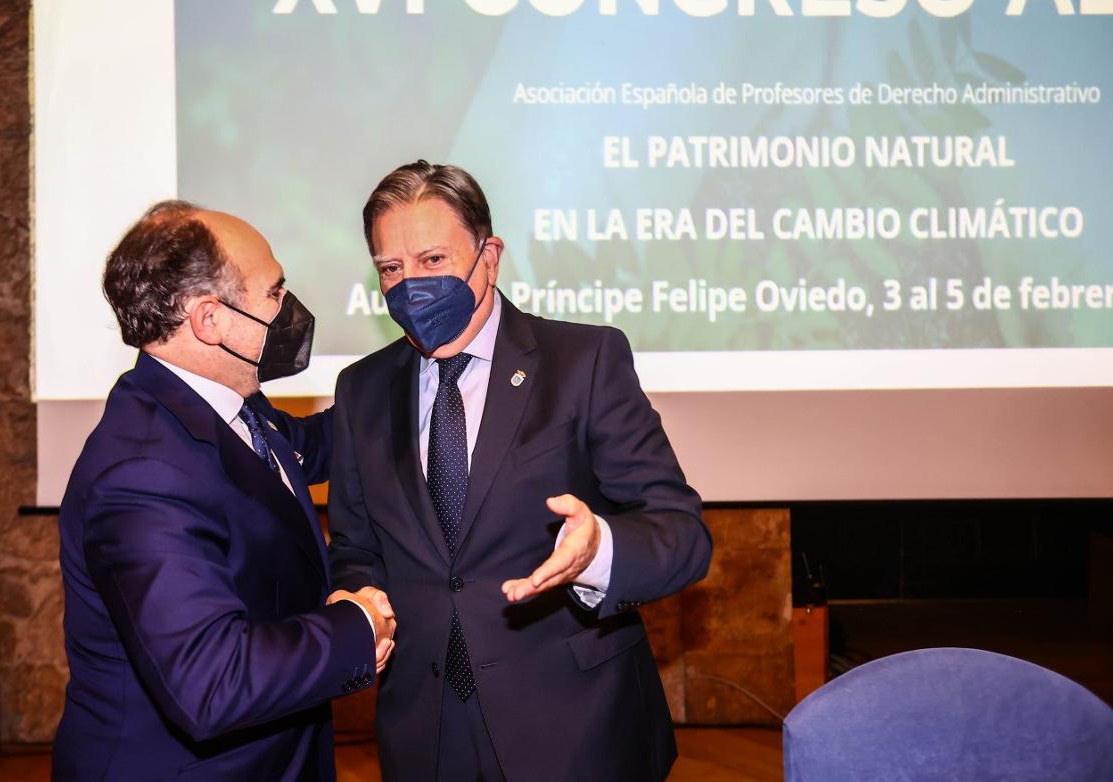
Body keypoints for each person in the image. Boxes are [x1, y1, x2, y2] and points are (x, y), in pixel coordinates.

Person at [327, 162, 714, 781]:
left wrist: (600, 551)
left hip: (576, 729)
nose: (410, 286)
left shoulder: (583, 361)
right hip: (424, 734)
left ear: (490, 256)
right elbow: (355, 548)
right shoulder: (360, 390)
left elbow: (681, 533)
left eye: (432, 260)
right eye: (391, 269)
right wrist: (356, 596)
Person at [53, 200, 396, 781]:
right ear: (209, 319)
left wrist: (416, 376)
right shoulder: (141, 475)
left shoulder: (225, 406)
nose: (290, 309)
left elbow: (310, 446)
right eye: (274, 292)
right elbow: (212, 683)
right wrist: (356, 627)